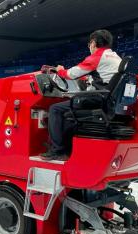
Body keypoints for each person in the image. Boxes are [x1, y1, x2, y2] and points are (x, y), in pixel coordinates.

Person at [41, 30, 122, 161]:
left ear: (94, 43)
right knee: (68, 111)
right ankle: (67, 147)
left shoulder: (97, 57)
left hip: (97, 99)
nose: (89, 46)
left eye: (89, 43)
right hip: (109, 100)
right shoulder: (116, 57)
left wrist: (60, 70)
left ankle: (57, 150)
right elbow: (102, 76)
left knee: (55, 109)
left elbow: (70, 74)